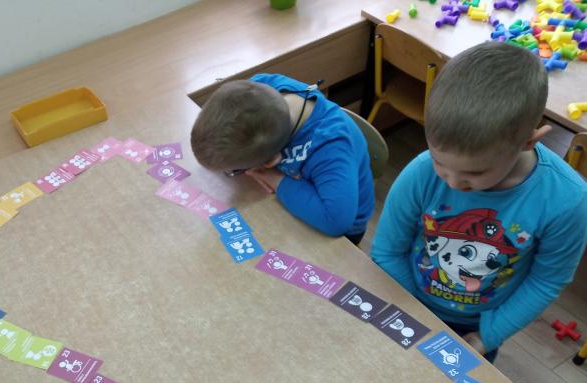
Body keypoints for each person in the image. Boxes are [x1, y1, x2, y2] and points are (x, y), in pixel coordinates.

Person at [371, 42, 587, 362]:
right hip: (407, 297)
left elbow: (547, 279)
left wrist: (489, 335)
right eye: (439, 161)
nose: (452, 182)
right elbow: (387, 251)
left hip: (478, 328)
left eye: (474, 173)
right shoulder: (421, 172)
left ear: (529, 142)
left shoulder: (568, 200)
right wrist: (413, 312)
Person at [190, 74, 375, 244]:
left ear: (270, 162)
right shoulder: (257, 91)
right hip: (301, 198)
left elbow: (336, 222)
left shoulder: (331, 149)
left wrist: (275, 178)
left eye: (235, 170)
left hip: (341, 234)